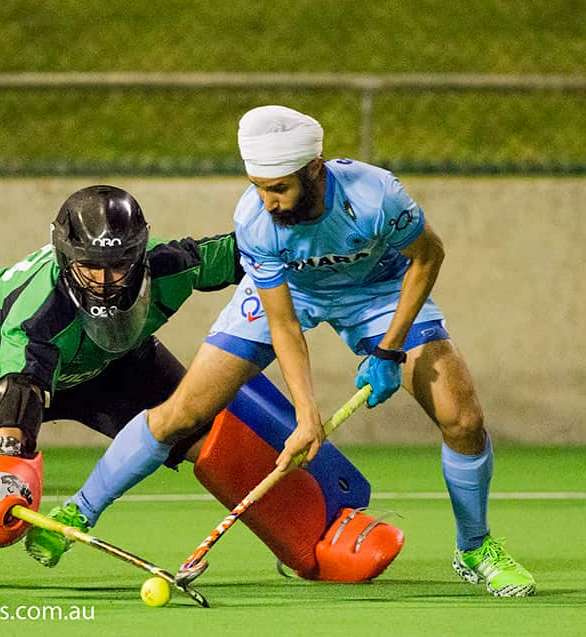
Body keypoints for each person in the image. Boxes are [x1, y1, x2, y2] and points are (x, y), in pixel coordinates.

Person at [33, 107, 536, 598]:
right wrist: (305, 414)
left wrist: (389, 349)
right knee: (180, 413)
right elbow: (284, 323)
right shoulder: (256, 220)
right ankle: (79, 510)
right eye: (257, 186)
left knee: (463, 418)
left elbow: (428, 256)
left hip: (376, 293)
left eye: (278, 188)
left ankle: (475, 548)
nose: (267, 201)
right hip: (290, 292)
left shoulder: (376, 194)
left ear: (314, 170)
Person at [0, 184, 244, 585]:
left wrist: (308, 249)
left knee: (216, 441)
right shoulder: (40, 312)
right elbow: (20, 388)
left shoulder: (170, 264)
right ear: (65, 256)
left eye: (119, 265)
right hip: (8, 354)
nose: (105, 282)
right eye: (90, 266)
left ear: (140, 253)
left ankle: (300, 529)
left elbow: (243, 252)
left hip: (113, 365)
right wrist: (8, 467)